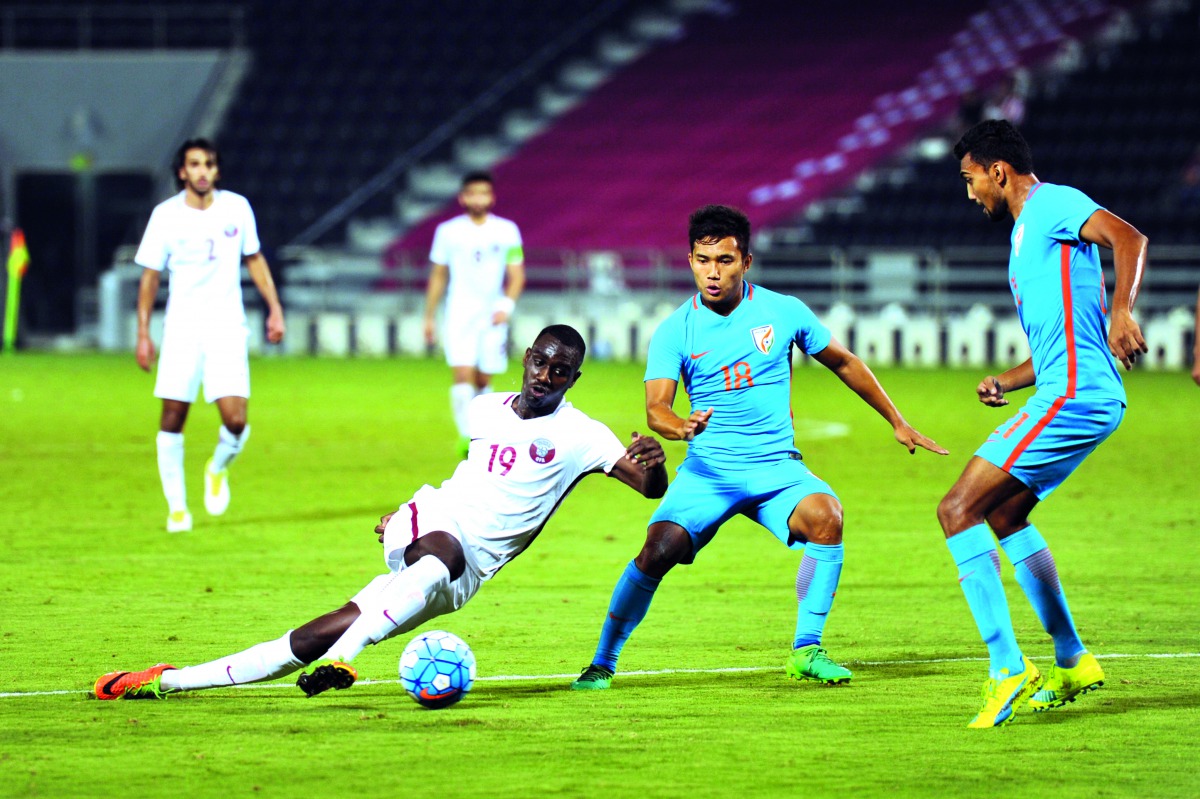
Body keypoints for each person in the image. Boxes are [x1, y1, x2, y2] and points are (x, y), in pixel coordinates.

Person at [94, 325, 669, 701]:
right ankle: (346, 661)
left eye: (561, 370)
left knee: (301, 642)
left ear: (574, 378)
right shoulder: (483, 408)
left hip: (466, 574)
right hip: (436, 525)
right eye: (541, 362)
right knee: (433, 555)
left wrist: (657, 463)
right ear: (526, 358)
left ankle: (167, 681)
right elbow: (466, 481)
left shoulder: (582, 434)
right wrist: (406, 525)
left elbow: (647, 488)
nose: (546, 376)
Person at [571, 205, 947, 691]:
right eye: (703, 259)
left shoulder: (782, 311)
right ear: (689, 259)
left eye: (725, 260)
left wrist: (898, 420)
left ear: (746, 261)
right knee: (657, 551)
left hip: (776, 469)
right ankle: (603, 661)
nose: (713, 271)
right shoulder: (674, 330)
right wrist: (681, 428)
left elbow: (844, 361)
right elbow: (656, 409)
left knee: (827, 517)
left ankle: (807, 649)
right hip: (709, 470)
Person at [941, 119, 1148, 728]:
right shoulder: (1025, 235)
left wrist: (1122, 313)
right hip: (1067, 391)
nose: (969, 191)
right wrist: (1006, 379)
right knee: (1003, 514)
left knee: (957, 510)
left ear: (996, 171)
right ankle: (1073, 658)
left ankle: (1006, 667)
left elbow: (1130, 239)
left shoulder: (1053, 202)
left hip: (1077, 397)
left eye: (969, 178)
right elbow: (1062, 337)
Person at [134, 138, 285, 534]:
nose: (202, 171)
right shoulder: (165, 216)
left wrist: (274, 307)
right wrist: (143, 334)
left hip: (226, 326)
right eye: (194, 164)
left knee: (236, 421)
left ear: (216, 170)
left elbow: (254, 258)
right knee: (172, 417)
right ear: (182, 171)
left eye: (209, 164)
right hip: (182, 327)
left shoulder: (236, 208)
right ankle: (178, 509)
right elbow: (150, 277)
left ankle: (216, 468)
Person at [422, 171, 526, 458]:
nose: (478, 198)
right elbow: (439, 275)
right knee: (462, 373)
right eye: (473, 193)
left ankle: (481, 433)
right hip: (458, 313)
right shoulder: (448, 231)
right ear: (463, 197)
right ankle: (466, 437)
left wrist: (506, 306)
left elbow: (516, 275)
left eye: (484, 193)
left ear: (491, 197)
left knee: (483, 379)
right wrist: (429, 316)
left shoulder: (506, 231)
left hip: (491, 315)